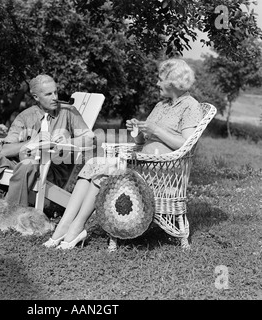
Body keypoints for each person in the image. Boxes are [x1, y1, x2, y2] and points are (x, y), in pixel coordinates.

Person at [44, 58, 203, 250]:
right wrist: (138, 131)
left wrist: (156, 130)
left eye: (160, 79)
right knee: (93, 163)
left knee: (103, 170)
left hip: (164, 175)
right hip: (142, 165)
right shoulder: (162, 105)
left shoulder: (190, 106)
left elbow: (187, 145)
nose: (157, 83)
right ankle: (64, 226)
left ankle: (76, 228)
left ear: (173, 81)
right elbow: (142, 142)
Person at [0, 74, 95, 207]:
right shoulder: (26, 116)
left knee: (27, 164)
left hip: (50, 169)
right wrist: (33, 142)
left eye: (56, 92)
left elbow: (90, 140)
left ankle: (13, 216)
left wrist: (67, 141)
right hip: (23, 164)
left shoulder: (68, 112)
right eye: (49, 94)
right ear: (36, 97)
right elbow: (5, 150)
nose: (55, 97)